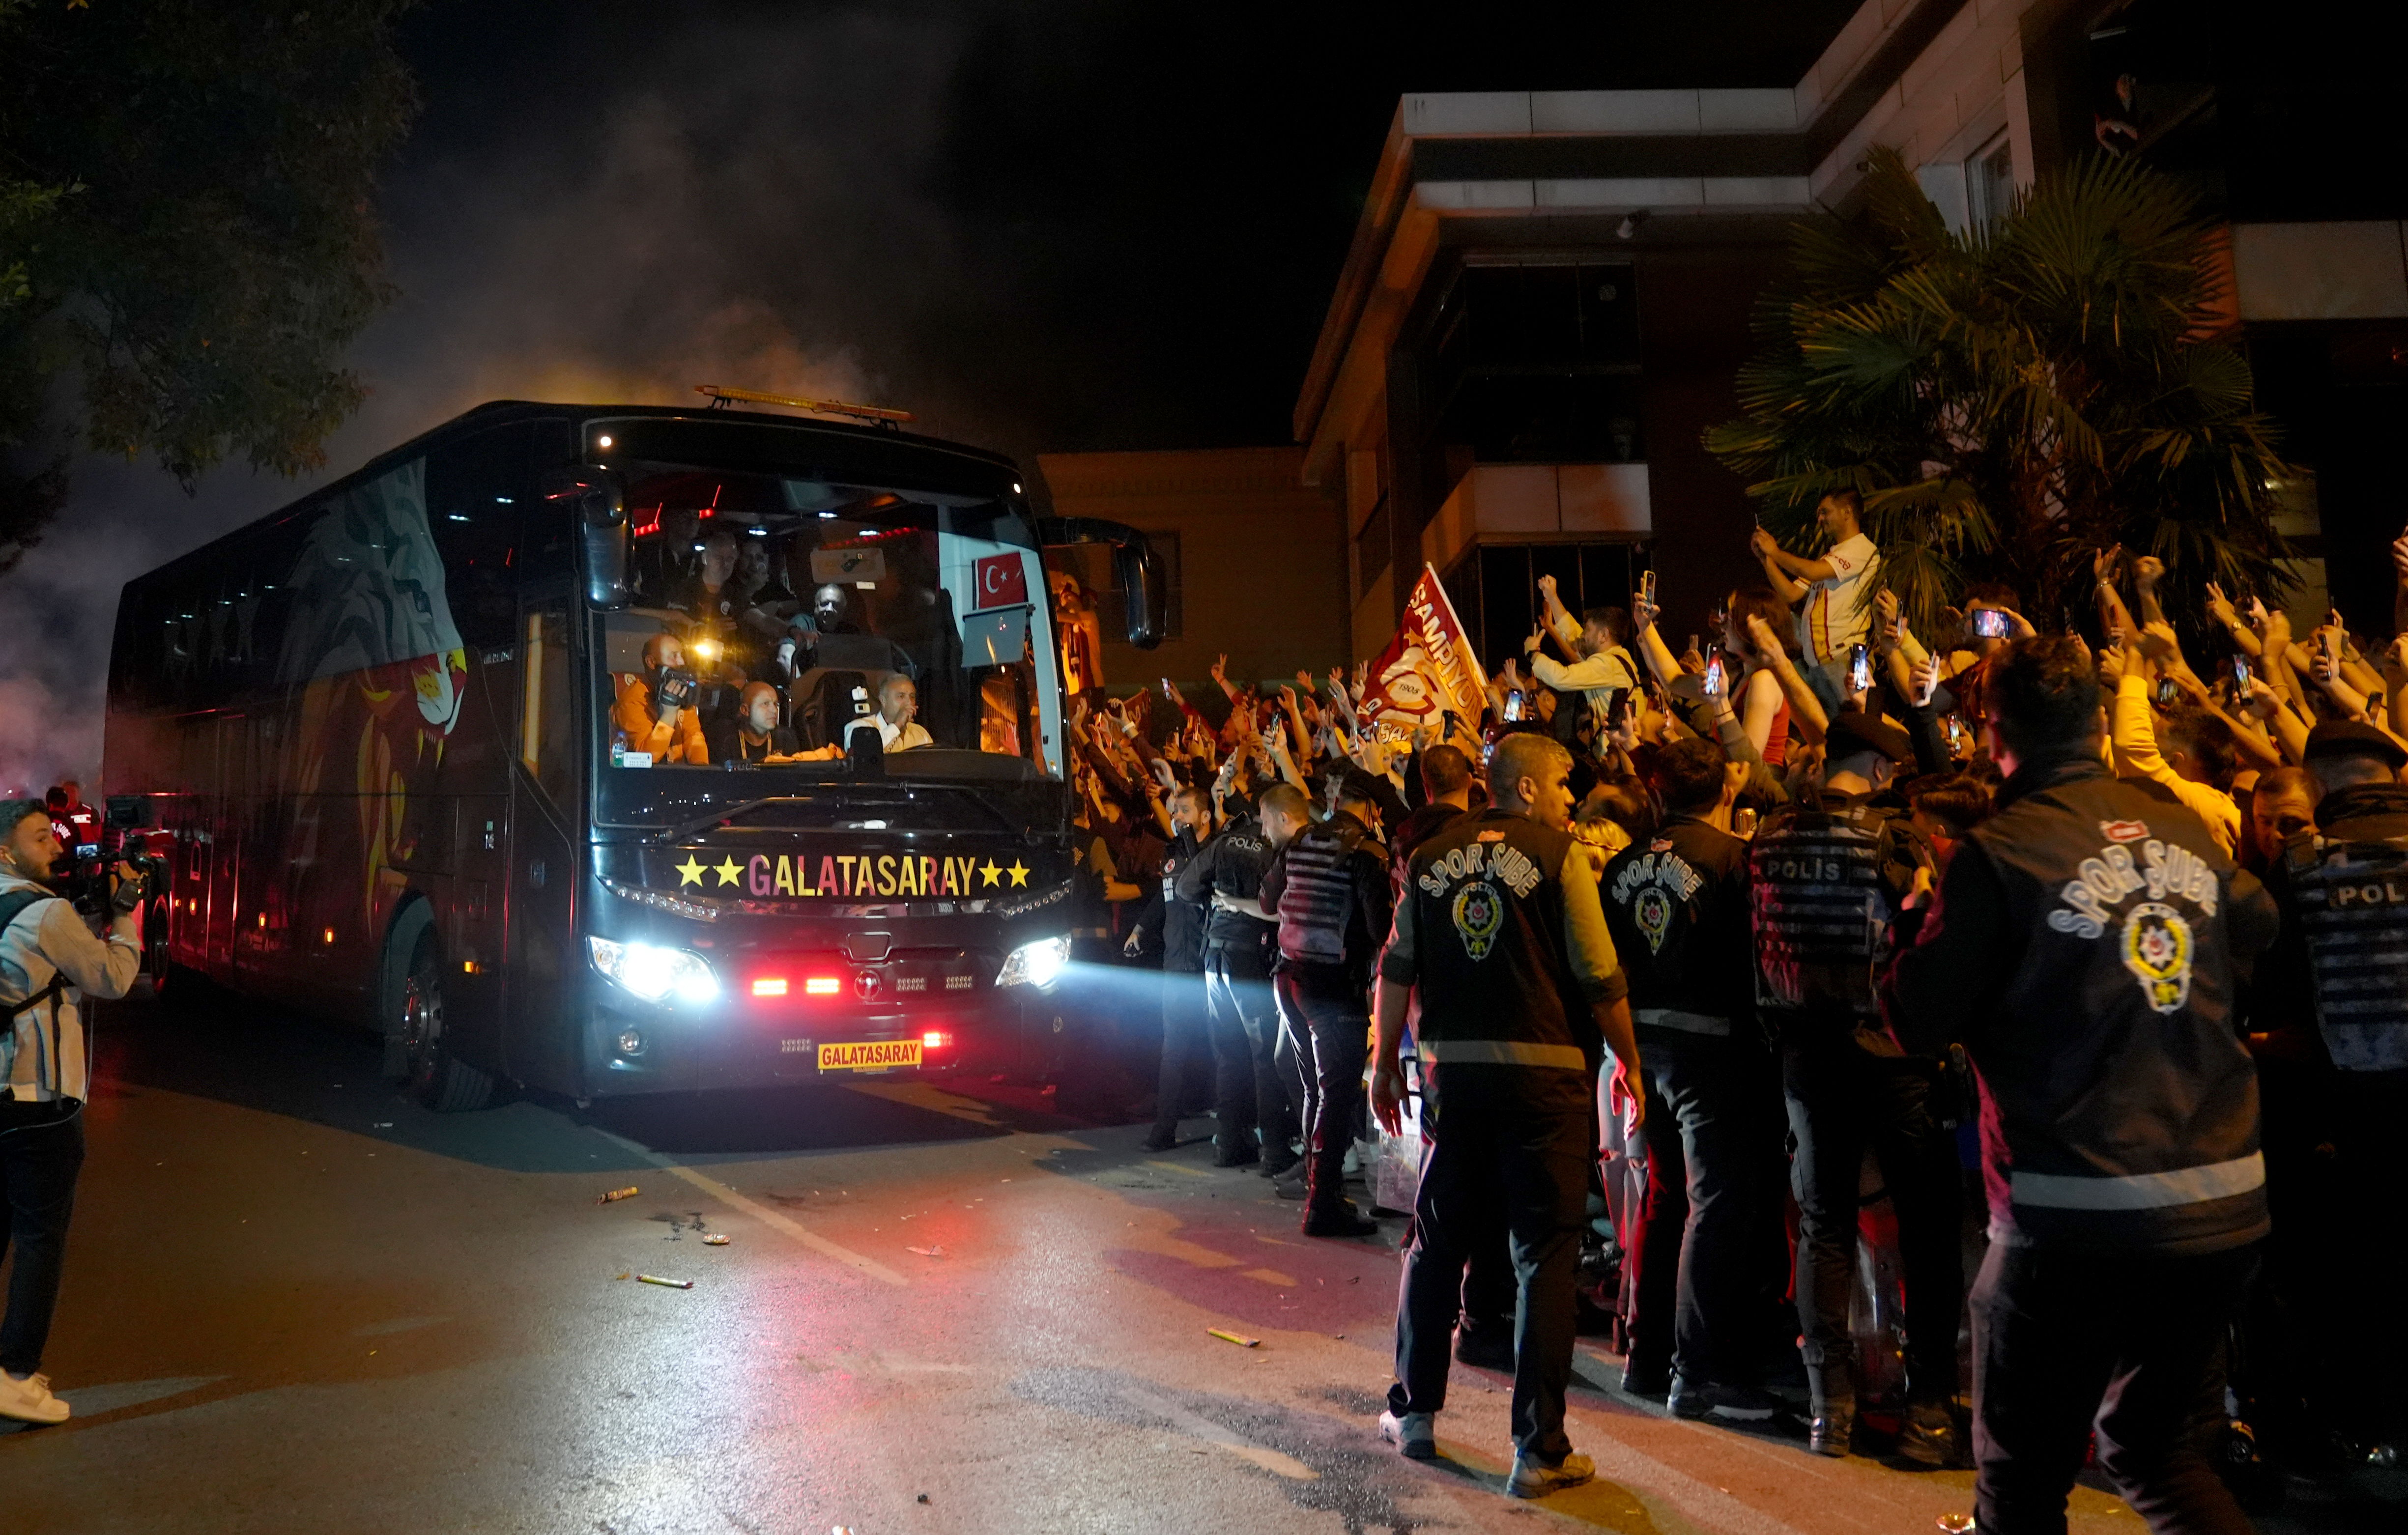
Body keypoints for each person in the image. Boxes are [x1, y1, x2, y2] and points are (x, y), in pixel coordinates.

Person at [1881, 635, 2279, 1535]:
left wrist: (1910, 923)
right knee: (2152, 1443)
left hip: (2073, 1208)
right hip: (2219, 1198)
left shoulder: (1998, 854)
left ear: (1992, 734)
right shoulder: (2181, 826)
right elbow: (2259, 916)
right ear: (2100, 725)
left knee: (2022, 1489)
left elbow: (1915, 1017)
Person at [1370, 732, 1642, 1499]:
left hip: (1455, 1085)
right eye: (1560, 783)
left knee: (1435, 1243)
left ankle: (1414, 1413)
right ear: (1524, 788)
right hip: (1546, 1088)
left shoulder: (1430, 861)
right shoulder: (1561, 857)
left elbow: (1397, 967)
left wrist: (1387, 1063)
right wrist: (1630, 1061)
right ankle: (1538, 1451)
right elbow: (1599, 974)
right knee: (1544, 1260)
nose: (1568, 795)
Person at [1750, 710, 1962, 1463]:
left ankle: (1827, 1411)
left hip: (1805, 1055)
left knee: (1823, 1227)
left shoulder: (1771, 835)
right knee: (1929, 1230)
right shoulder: (1896, 838)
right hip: (1891, 1054)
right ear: (1878, 771)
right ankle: (1929, 1410)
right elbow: (1928, 927)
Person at [1598, 738, 1779, 1421]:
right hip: (1712, 1051)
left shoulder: (1621, 866)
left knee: (1664, 1198)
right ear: (1725, 793)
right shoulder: (1734, 859)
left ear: (1656, 794)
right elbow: (1752, 960)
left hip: (1640, 1052)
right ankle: (1698, 1371)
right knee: (1718, 1202)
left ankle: (1646, 1357)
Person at [2248, 721, 2408, 1467]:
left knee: (2368, 1276)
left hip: (2358, 1114)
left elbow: (2280, 997)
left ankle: (2374, 1431)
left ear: (2315, 785)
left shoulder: (2307, 864)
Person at [0, 801, 143, 1426]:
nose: (56, 846)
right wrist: (126, 917)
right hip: (39, 1100)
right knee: (40, 1241)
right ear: (6, 848)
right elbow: (110, 977)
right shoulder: (45, 913)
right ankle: (14, 1375)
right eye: (40, 837)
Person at [1260, 769, 1392, 1237]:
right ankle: (1323, 1204)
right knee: (1336, 1096)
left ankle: (1323, 1190)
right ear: (1371, 809)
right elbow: (1381, 931)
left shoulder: (1299, 842)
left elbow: (1268, 899)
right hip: (1335, 988)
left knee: (1316, 1092)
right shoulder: (1367, 853)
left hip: (1289, 979)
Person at [1179, 781, 1307, 1176]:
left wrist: (1218, 904)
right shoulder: (1276, 848)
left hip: (1214, 956)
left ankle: (1230, 1145)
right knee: (1265, 1057)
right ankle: (1274, 1152)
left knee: (1229, 1056)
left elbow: (1185, 888)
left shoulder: (1224, 842)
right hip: (1252, 959)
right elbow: (1283, 907)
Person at [1132, 786, 1230, 1153]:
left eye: (1185, 811)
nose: (1177, 818)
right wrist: (1141, 928)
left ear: (1206, 816)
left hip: (1210, 963)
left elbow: (1201, 884)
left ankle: (1232, 1128)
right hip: (1176, 963)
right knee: (1172, 1050)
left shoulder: (1218, 850)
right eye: (1175, 811)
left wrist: (1189, 839)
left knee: (1223, 1048)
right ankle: (1164, 1129)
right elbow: (1165, 895)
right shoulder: (1172, 853)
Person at [1749, 490, 1880, 713]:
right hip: (1821, 662)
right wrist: (1767, 560)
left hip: (1844, 658)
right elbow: (1791, 594)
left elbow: (1810, 571)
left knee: (1857, 728)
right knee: (1833, 734)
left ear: (1847, 512)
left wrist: (1776, 552)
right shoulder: (1829, 558)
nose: (1819, 519)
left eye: (1825, 512)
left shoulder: (1861, 549)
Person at [613, 632, 710, 765]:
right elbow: (647, 758)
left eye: (682, 656)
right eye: (674, 656)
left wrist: (702, 773)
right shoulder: (633, 700)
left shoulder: (682, 691)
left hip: (677, 776)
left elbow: (694, 737)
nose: (681, 662)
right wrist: (669, 715)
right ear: (652, 662)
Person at [706, 681, 800, 766]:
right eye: (766, 704)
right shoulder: (726, 739)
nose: (774, 710)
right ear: (745, 710)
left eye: (775, 704)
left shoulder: (786, 738)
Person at [847, 675, 933, 752]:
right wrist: (897, 725)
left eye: (912, 696)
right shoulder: (858, 727)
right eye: (901, 696)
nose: (909, 702)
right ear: (884, 701)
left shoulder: (921, 733)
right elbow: (864, 755)